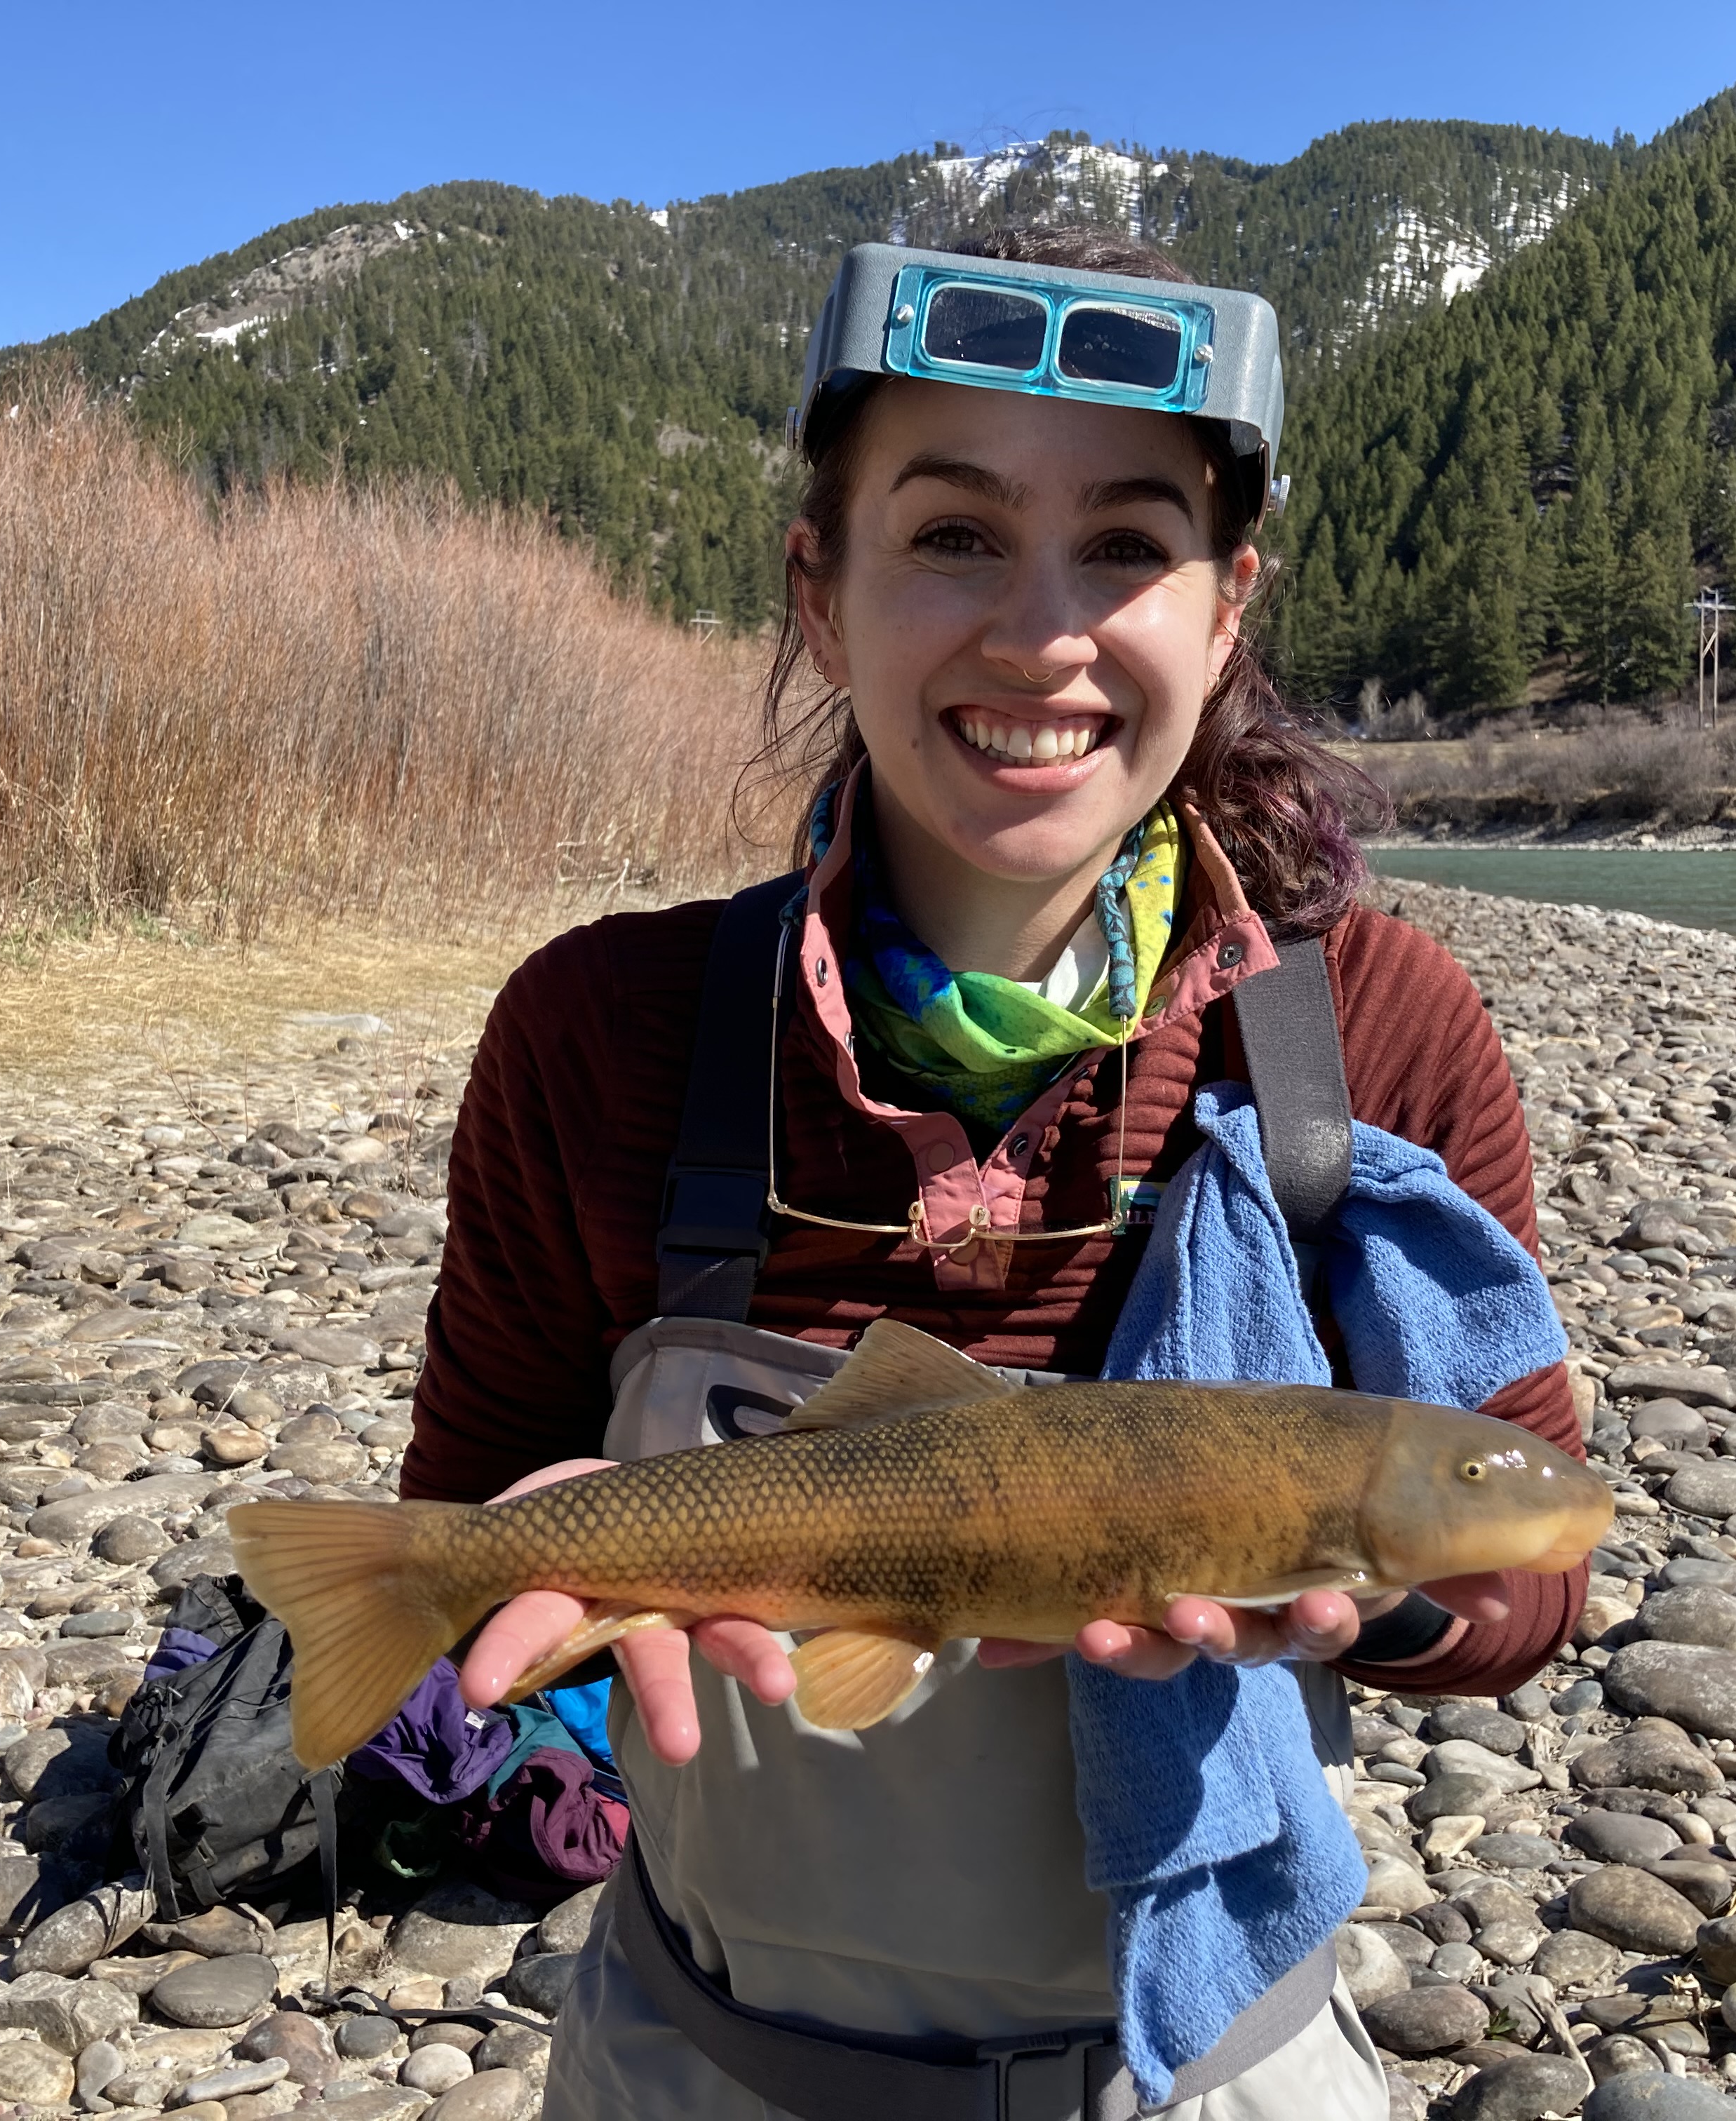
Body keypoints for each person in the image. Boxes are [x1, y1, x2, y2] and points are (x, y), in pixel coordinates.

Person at [398, 225, 1584, 2118]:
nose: (1042, 631)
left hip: (1210, 2067)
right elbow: (459, 1547)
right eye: (952, 535)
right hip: (707, 2058)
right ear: (818, 589)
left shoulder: (1366, 1033)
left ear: (1226, 609)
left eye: (1126, 543)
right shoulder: (602, 1032)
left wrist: (1369, 1598)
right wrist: (538, 1566)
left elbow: (1528, 1601)